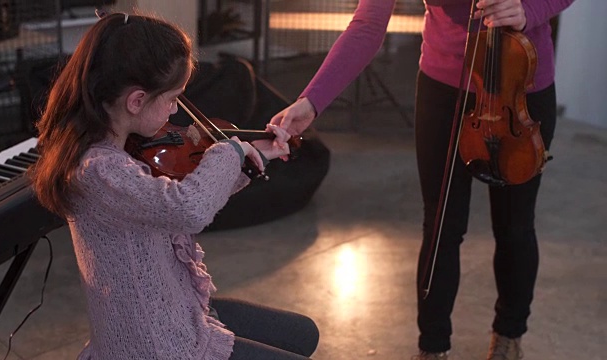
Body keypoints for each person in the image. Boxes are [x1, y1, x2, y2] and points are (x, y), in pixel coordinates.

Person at [269, 0, 575, 359]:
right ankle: (432, 346)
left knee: (515, 224)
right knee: (441, 225)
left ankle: (509, 334)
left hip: (521, 83)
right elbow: (368, 24)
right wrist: (311, 102)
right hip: (445, 86)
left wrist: (530, 10)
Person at [30, 12, 319, 360]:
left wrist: (253, 156)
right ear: (136, 101)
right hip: (154, 346)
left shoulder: (119, 146)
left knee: (303, 334)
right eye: (171, 99)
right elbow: (187, 208)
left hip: (174, 310)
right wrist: (228, 151)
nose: (175, 109)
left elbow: (189, 192)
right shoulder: (98, 169)